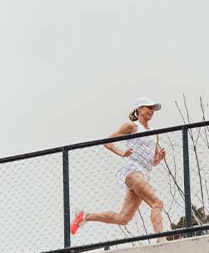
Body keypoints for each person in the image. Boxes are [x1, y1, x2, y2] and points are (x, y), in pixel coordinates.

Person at [70, 97, 168, 243]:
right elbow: (107, 141)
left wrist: (159, 158)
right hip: (133, 173)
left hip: (144, 175)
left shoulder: (155, 133)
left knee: (123, 219)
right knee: (157, 203)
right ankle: (161, 239)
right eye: (149, 107)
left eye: (153, 109)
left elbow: (153, 162)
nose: (152, 111)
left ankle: (84, 216)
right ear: (139, 109)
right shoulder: (132, 127)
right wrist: (121, 153)